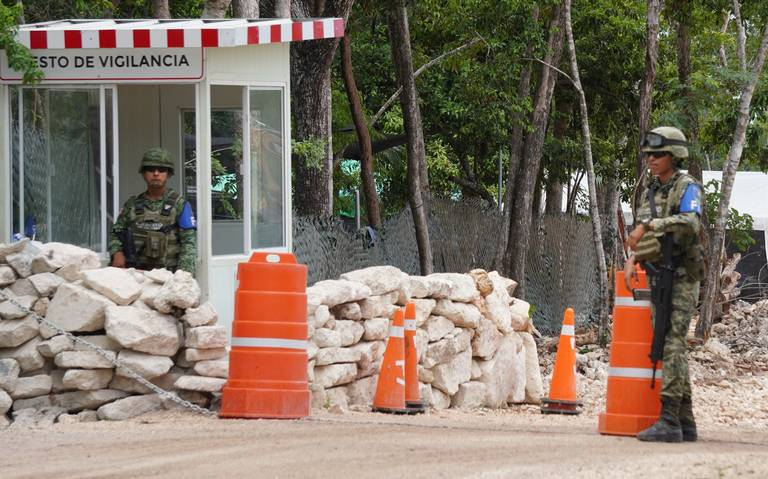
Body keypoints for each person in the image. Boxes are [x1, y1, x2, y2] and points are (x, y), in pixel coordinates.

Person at [624, 126, 705, 443]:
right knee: (665, 342)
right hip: (659, 275)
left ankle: (669, 419)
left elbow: (689, 223)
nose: (651, 160)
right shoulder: (652, 192)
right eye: (648, 155)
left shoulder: (687, 187)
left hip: (683, 276)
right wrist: (633, 260)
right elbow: (649, 239)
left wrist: (648, 224)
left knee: (672, 344)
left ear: (674, 155)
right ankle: (685, 421)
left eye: (658, 154)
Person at [108, 147, 197, 274]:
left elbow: (189, 244)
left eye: (161, 170)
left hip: (168, 277)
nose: (156, 173)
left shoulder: (180, 205)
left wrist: (183, 275)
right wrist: (117, 252)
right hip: (136, 276)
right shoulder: (132, 205)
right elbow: (115, 233)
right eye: (150, 169)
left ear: (169, 174)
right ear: (144, 173)